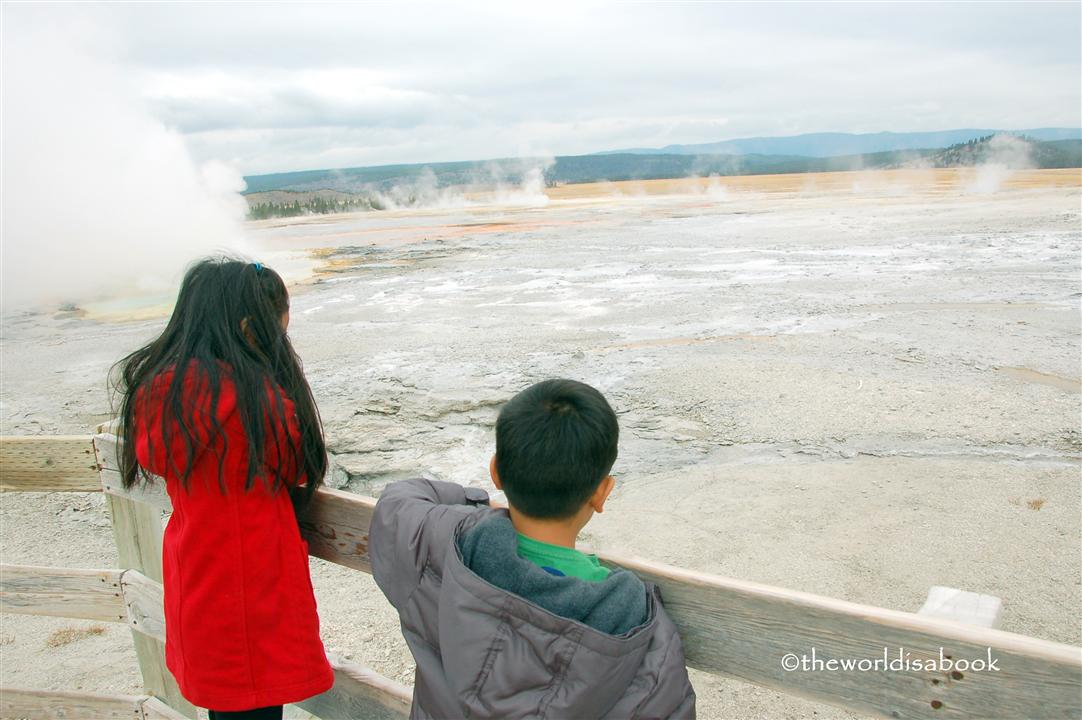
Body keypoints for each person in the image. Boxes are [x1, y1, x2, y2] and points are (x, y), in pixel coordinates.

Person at [371, 378, 696, 719]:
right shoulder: (638, 626)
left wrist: (479, 504)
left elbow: (400, 498)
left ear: (495, 472)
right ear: (602, 493)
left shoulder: (442, 545)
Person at [114, 258, 334, 720]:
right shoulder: (255, 400)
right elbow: (297, 466)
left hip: (197, 575)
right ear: (248, 326)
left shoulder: (161, 391)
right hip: (252, 587)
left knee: (226, 707)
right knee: (253, 704)